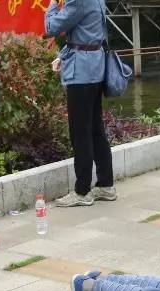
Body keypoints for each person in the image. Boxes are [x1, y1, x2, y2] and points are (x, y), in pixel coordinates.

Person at [45, 0, 117, 207]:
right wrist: (62, 55)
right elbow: (85, 34)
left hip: (81, 72)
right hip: (94, 66)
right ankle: (105, 184)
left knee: (80, 131)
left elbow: (51, 27)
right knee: (95, 129)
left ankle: (82, 190)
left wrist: (51, 4)